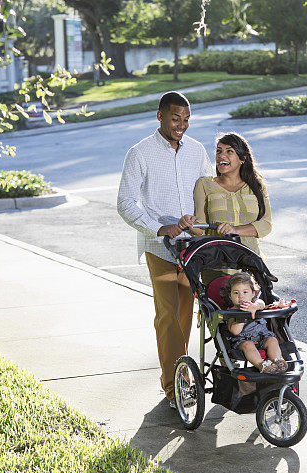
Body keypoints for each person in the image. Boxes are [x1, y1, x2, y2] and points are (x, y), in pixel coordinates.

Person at [117, 91, 214, 408]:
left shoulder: (197, 150)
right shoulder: (140, 153)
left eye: (186, 119)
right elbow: (126, 203)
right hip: (159, 247)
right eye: (175, 118)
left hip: (192, 248)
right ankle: (175, 388)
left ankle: (180, 373)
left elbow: (208, 191)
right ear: (160, 116)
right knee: (168, 316)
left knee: (185, 315)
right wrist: (159, 227)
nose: (181, 125)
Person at [192, 132, 272, 285]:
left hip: (250, 266)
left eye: (229, 151)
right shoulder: (204, 185)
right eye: (218, 151)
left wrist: (235, 230)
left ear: (242, 159)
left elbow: (266, 224)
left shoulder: (257, 185)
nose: (222, 156)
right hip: (217, 267)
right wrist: (190, 224)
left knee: (251, 308)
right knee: (216, 308)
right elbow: (200, 229)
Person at [223, 273, 288, 374]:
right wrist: (241, 317)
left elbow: (261, 304)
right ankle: (262, 366)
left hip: (262, 337)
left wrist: (255, 306)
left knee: (272, 340)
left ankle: (278, 361)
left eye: (245, 292)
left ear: (253, 293)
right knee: (248, 345)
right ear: (230, 296)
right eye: (236, 293)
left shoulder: (255, 302)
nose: (241, 296)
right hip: (243, 340)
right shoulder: (232, 312)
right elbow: (235, 331)